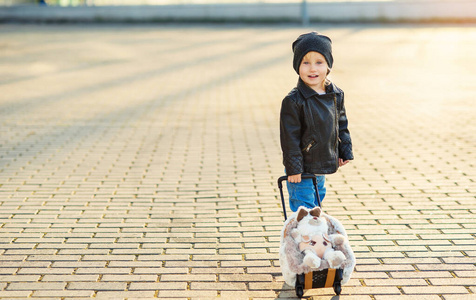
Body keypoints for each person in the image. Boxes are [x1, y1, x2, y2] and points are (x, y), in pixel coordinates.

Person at [280, 32, 354, 212]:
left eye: (319, 62)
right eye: (306, 63)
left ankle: (311, 238)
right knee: (305, 212)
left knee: (316, 207)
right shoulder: (294, 101)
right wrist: (294, 168)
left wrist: (344, 149)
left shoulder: (335, 94)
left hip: (322, 166)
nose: (312, 69)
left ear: (328, 65)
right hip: (302, 169)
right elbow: (289, 139)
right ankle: (306, 239)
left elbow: (340, 124)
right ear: (297, 66)